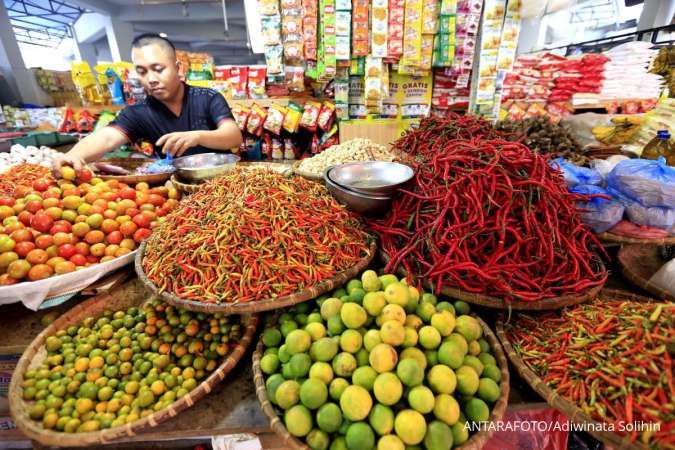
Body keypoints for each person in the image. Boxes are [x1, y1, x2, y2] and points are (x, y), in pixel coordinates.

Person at [55, 33, 243, 171]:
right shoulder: (138, 112)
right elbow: (106, 138)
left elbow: (233, 136)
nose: (151, 79)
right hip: (176, 190)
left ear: (178, 68)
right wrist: (73, 156)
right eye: (142, 72)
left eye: (158, 69)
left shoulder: (207, 97)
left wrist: (197, 136)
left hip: (223, 182)